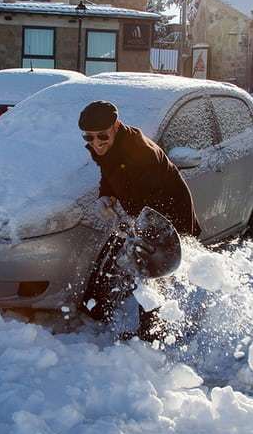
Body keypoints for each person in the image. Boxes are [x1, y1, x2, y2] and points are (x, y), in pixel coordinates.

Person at [78, 100, 200, 341]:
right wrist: (106, 195)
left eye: (101, 136)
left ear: (116, 126)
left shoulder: (140, 154)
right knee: (119, 257)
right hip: (142, 210)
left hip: (168, 212)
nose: (96, 143)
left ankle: (153, 334)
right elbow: (108, 172)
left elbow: (155, 199)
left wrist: (140, 231)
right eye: (89, 137)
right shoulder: (104, 147)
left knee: (152, 273)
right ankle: (98, 310)